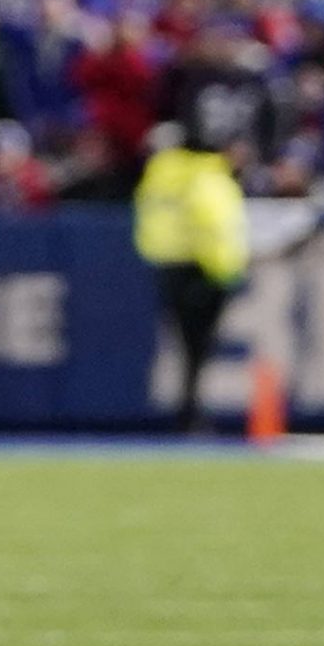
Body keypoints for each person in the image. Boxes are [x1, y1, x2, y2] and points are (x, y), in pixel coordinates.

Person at [134, 122, 250, 433]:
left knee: (186, 347)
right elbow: (214, 229)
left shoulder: (163, 174)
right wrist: (226, 271)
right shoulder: (209, 178)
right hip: (202, 270)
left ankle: (187, 411)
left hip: (168, 265)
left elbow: (148, 220)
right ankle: (191, 414)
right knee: (198, 347)